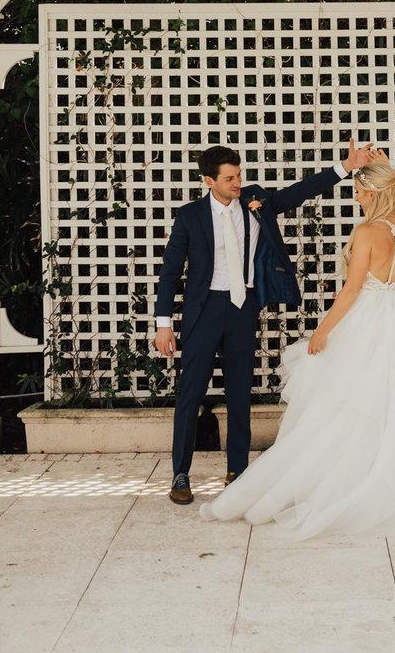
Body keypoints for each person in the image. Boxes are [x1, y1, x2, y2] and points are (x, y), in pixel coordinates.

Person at [199, 153, 395, 538]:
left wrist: (322, 331)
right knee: (387, 409)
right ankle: (379, 479)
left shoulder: (367, 232)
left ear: (373, 193)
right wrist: (383, 168)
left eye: (359, 191)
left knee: (337, 411)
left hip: (367, 319)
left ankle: (305, 491)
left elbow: (352, 290)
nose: (356, 197)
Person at [152, 138, 378, 505]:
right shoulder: (190, 216)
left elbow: (298, 192)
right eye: (229, 179)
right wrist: (163, 323)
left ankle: (237, 471)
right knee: (190, 393)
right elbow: (170, 271)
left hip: (243, 308)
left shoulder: (254, 199)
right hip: (204, 312)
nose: (237, 183)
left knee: (239, 392)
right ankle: (181, 474)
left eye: (239, 175)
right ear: (208, 181)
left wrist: (346, 167)